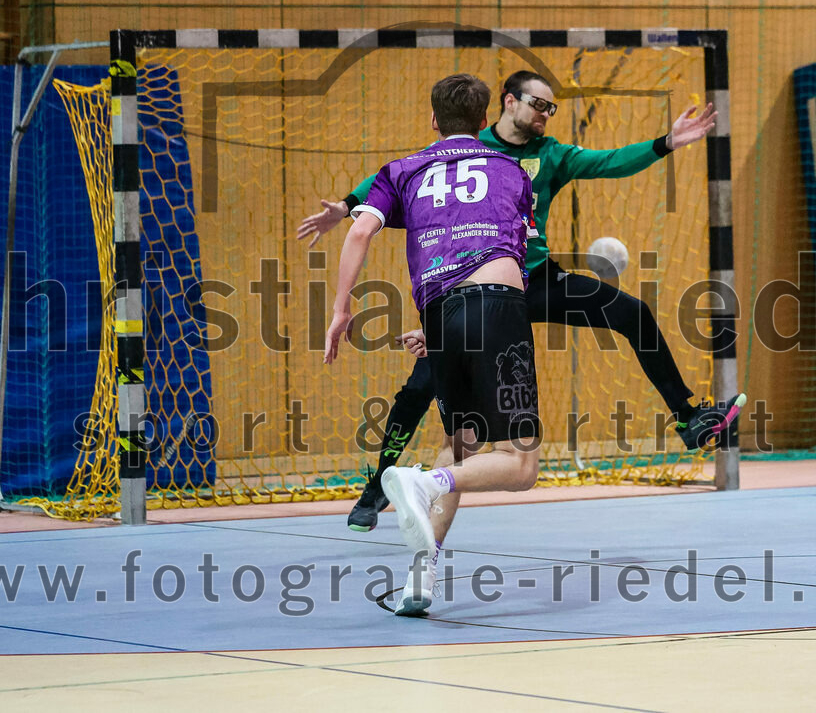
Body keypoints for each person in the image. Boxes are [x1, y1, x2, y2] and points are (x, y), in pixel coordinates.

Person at [301, 70, 745, 533]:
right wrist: (350, 203)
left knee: (631, 312)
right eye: (538, 104)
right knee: (419, 388)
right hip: (477, 285)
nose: (545, 115)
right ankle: (377, 486)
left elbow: (609, 161)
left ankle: (689, 417)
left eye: (551, 108)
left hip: (533, 281)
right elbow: (394, 175)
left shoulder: (550, 155)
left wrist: (665, 143)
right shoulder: (471, 151)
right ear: (508, 103)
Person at [324, 73, 540, 616]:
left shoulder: (400, 170)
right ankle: (423, 483)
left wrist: (341, 309)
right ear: (485, 117)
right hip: (495, 304)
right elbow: (518, 259)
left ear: (433, 121)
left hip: (441, 311)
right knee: (519, 466)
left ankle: (421, 577)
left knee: (459, 441)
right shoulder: (512, 170)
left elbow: (358, 232)